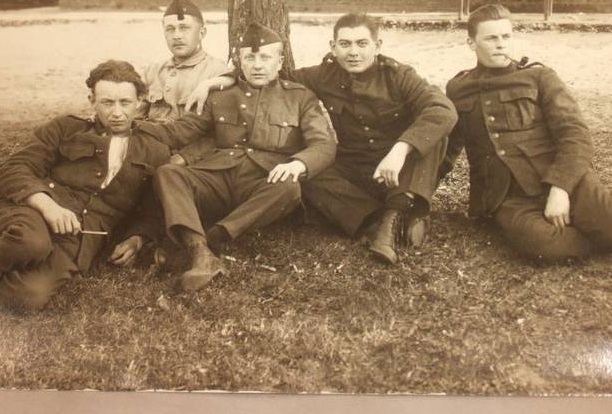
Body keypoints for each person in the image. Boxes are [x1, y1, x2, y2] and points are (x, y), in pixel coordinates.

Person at [0, 60, 171, 318]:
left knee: (27, 296)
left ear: (140, 102)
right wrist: (48, 206)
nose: (116, 112)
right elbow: (13, 168)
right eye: (107, 102)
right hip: (32, 210)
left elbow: (149, 211)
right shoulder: (66, 128)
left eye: (125, 102)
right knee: (32, 243)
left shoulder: (155, 150)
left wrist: (137, 238)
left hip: (80, 238)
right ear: (92, 101)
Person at [187, 13, 457, 266]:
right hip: (352, 169)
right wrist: (217, 80)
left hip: (397, 169)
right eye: (345, 44)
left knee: (432, 138)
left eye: (362, 43)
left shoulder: (399, 76)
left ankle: (392, 218)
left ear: (377, 45)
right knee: (309, 169)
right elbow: (270, 72)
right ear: (333, 46)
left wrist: (400, 151)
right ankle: (376, 221)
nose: (353, 52)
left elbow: (441, 110)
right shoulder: (321, 76)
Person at [444, 3, 612, 261]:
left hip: (562, 178)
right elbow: (448, 147)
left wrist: (561, 189)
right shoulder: (458, 88)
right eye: (491, 38)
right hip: (508, 196)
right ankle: (609, 211)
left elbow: (575, 134)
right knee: (546, 247)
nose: (501, 44)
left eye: (506, 36)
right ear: (471, 43)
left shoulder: (539, 77)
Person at [137, 23, 337, 292]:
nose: (257, 65)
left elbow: (324, 144)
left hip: (262, 181)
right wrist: (131, 124)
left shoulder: (300, 98)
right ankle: (201, 254)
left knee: (289, 188)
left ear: (279, 61)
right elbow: (181, 131)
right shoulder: (219, 96)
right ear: (239, 61)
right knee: (168, 174)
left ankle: (209, 241)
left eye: (265, 57)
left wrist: (299, 163)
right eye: (250, 57)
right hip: (217, 177)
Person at [141, 0, 230, 165]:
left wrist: (185, 158)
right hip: (149, 150)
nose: (177, 36)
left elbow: (221, 133)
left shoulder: (217, 72)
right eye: (170, 29)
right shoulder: (153, 70)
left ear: (202, 32)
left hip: (191, 160)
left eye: (184, 28)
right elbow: (134, 116)